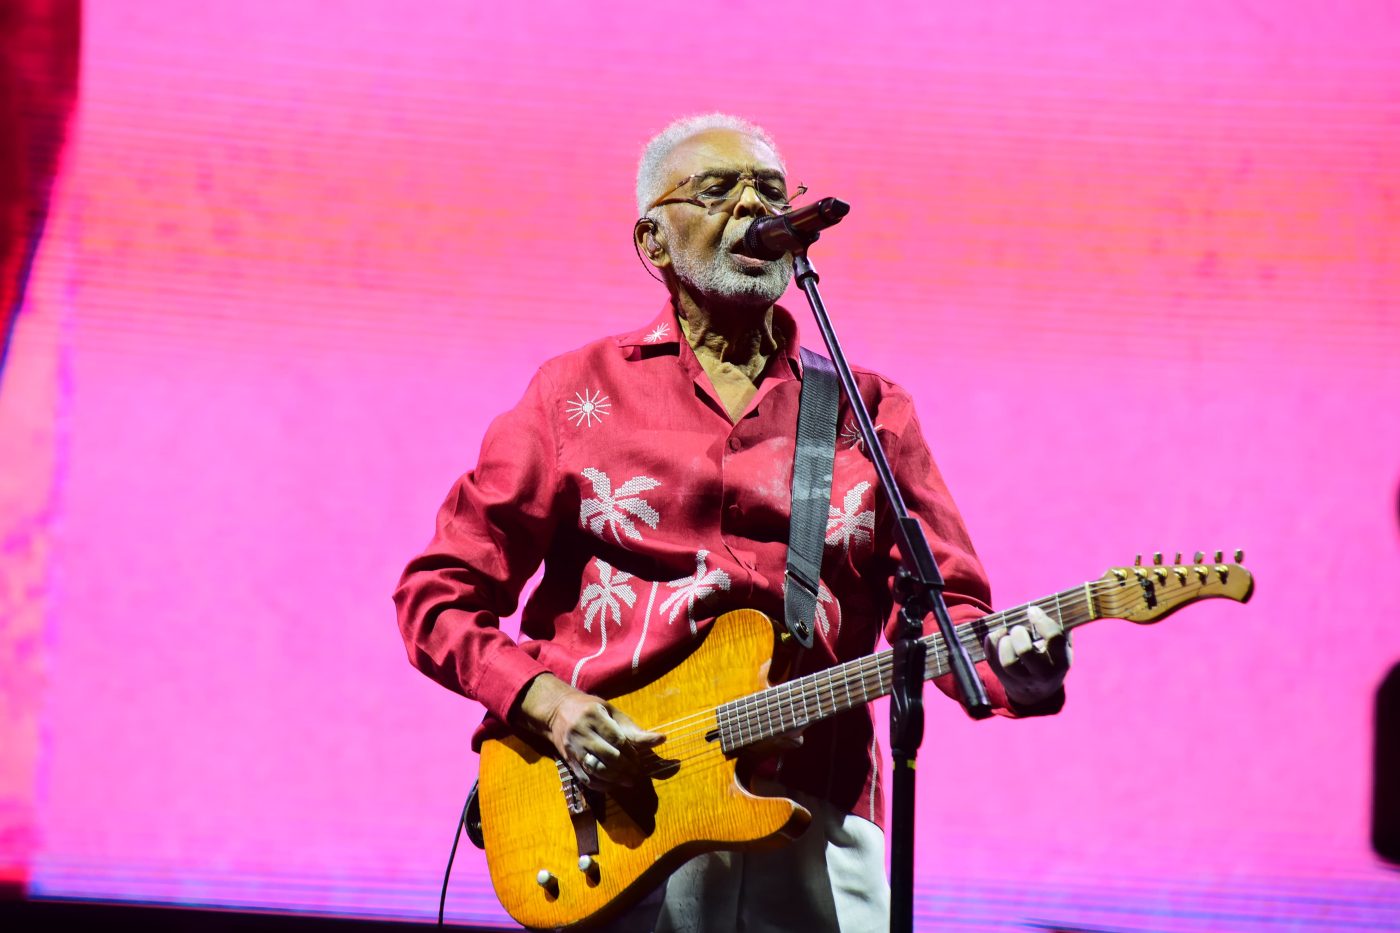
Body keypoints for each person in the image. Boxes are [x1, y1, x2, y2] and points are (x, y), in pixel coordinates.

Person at [393, 113, 1071, 932]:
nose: (754, 205)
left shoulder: (870, 409)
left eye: (772, 191)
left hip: (814, 810)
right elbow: (438, 595)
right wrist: (547, 706)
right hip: (612, 814)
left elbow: (944, 604)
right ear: (653, 241)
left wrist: (1007, 666)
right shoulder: (576, 392)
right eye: (718, 190)